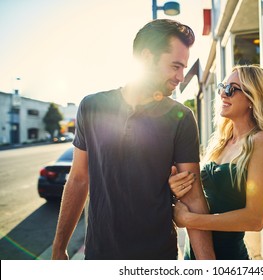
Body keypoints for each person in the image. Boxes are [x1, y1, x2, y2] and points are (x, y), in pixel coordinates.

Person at [52, 19, 215, 260]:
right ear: (147, 57)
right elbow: (78, 179)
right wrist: (58, 248)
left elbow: (193, 195)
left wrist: (209, 265)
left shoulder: (181, 117)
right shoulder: (91, 106)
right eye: (175, 66)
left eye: (184, 68)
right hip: (99, 256)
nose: (181, 77)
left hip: (158, 257)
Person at [169, 65, 263, 260]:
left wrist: (190, 220)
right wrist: (176, 186)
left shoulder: (261, 140)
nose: (223, 94)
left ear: (252, 98)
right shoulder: (220, 141)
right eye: (222, 87)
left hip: (227, 257)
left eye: (231, 89)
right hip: (194, 253)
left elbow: (256, 219)